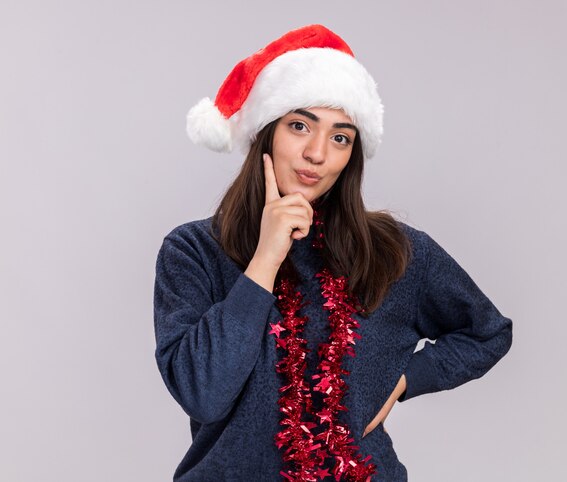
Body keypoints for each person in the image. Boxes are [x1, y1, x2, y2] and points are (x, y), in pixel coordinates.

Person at [153, 24, 513, 482]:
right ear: (266, 133)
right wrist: (265, 259)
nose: (317, 153)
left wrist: (407, 378)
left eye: (340, 137)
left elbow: (488, 332)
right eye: (299, 126)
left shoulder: (393, 251)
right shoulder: (193, 251)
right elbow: (203, 392)